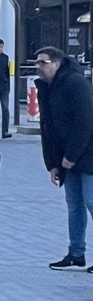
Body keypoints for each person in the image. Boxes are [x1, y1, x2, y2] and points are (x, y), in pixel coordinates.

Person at [35, 46, 93, 270]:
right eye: (37, 62)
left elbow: (85, 122)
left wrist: (70, 156)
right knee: (74, 205)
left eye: (43, 62)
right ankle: (76, 253)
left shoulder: (75, 83)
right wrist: (52, 163)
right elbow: (46, 127)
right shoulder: (46, 88)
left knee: (90, 201)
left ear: (57, 63)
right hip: (67, 158)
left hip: (87, 153)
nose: (38, 66)